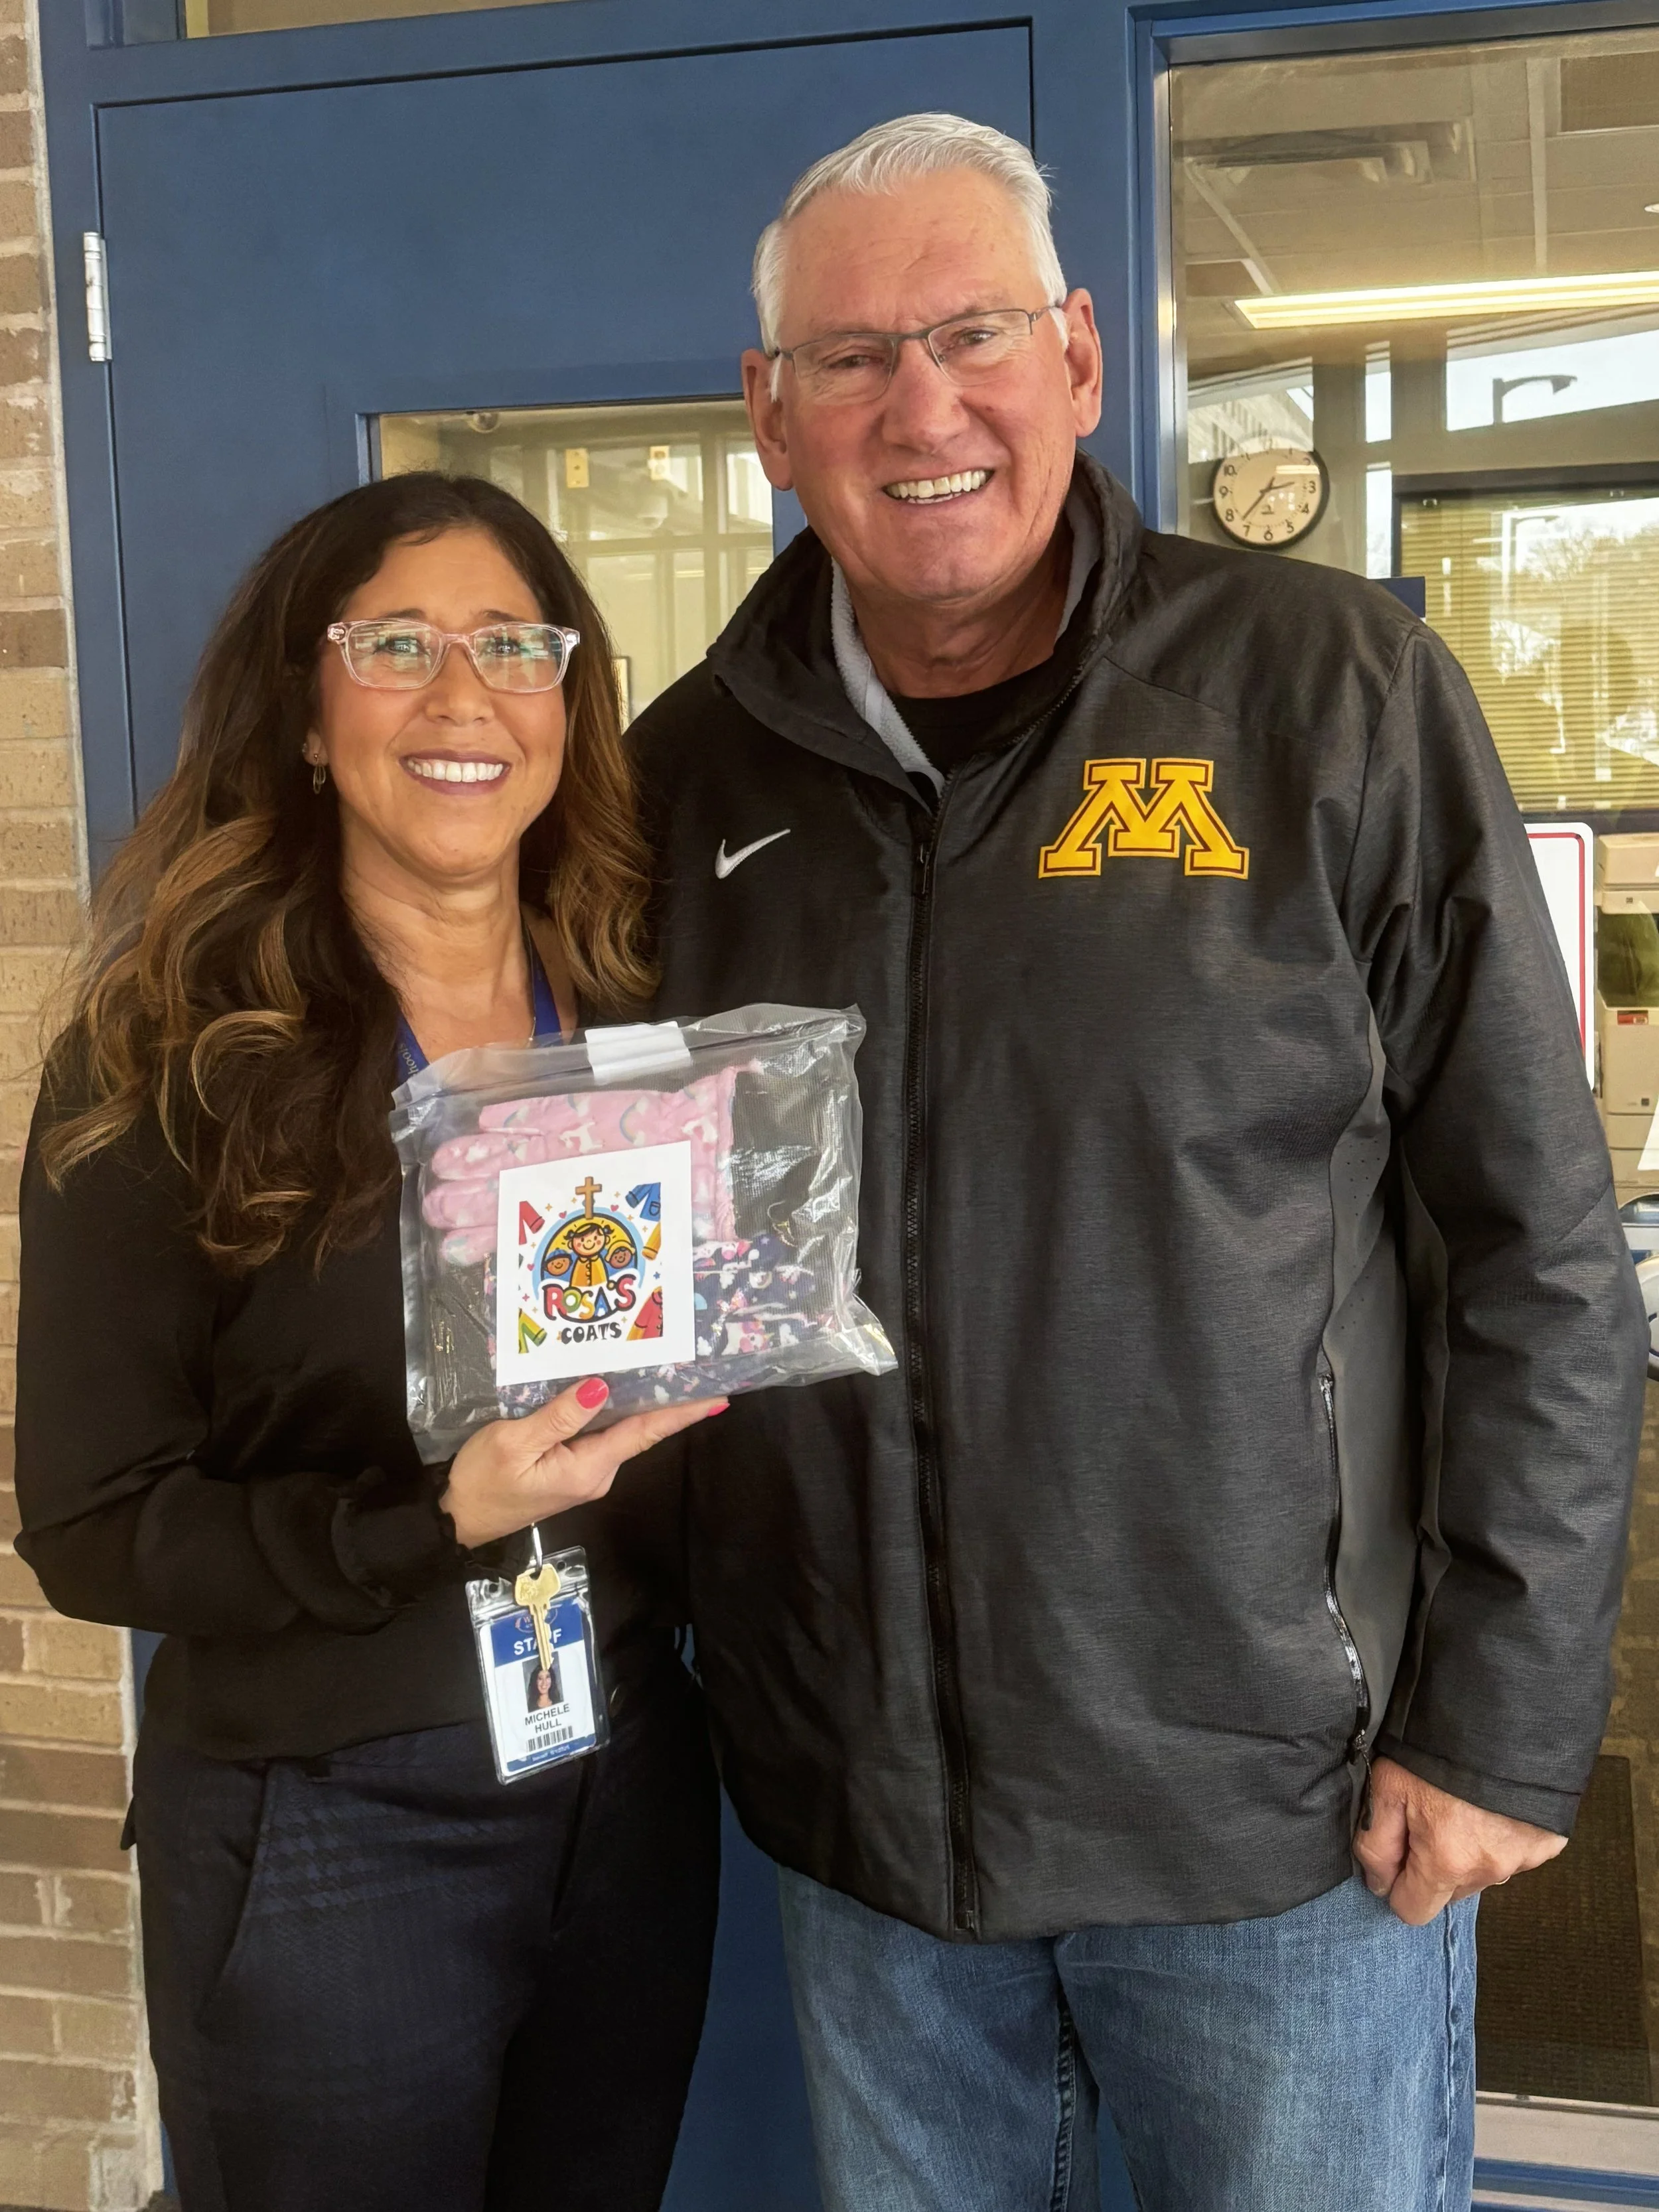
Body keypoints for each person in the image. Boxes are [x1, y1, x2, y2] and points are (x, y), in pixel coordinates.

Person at [629, 113, 1649, 2211]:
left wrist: (1501, 1718)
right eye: (850, 356)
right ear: (768, 414)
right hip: (870, 1843)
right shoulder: (682, 774)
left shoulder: (1320, 692)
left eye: (973, 331)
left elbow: (1535, 1236)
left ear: (1079, 358)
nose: (922, 406)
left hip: (1279, 1830)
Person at [16, 473, 725, 2212]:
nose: (461, 692)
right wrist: (430, 1517)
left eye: (511, 644)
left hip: (619, 1764)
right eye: (396, 644)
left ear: (568, 707)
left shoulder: (640, 1016)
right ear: (308, 714)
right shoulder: (164, 1062)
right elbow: (93, 1522)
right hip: (332, 1807)